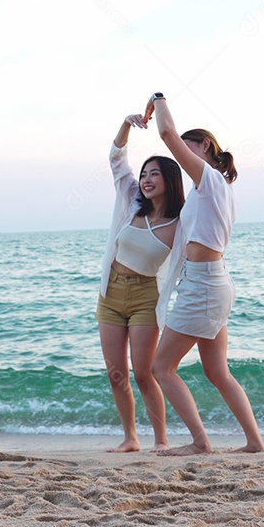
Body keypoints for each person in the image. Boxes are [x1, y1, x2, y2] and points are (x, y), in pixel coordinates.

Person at [142, 92, 264, 456]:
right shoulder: (211, 188)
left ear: (205, 147)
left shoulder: (210, 180)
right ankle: (255, 443)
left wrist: (157, 99)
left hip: (205, 285)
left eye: (187, 146)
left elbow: (166, 133)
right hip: (213, 281)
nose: (180, 151)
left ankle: (200, 442)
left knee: (161, 368)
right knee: (217, 372)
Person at [96, 113, 187, 453]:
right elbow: (117, 160)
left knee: (144, 374)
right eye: (145, 174)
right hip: (111, 293)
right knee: (115, 374)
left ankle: (161, 441)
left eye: (155, 175)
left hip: (145, 296)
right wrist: (124, 123)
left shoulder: (181, 223)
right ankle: (130, 438)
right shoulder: (131, 201)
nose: (147, 180)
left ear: (170, 180)